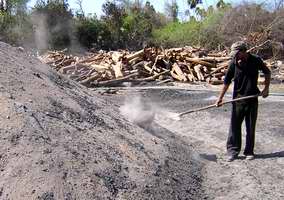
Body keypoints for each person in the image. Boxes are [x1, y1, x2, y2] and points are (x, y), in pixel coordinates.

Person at [215, 41, 271, 162]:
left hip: (252, 99)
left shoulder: (255, 60)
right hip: (238, 100)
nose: (235, 56)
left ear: (243, 51)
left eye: (237, 54)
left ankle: (249, 151)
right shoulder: (233, 63)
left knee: (250, 126)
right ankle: (233, 151)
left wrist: (266, 89)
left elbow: (267, 72)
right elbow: (227, 82)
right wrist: (220, 98)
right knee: (234, 126)